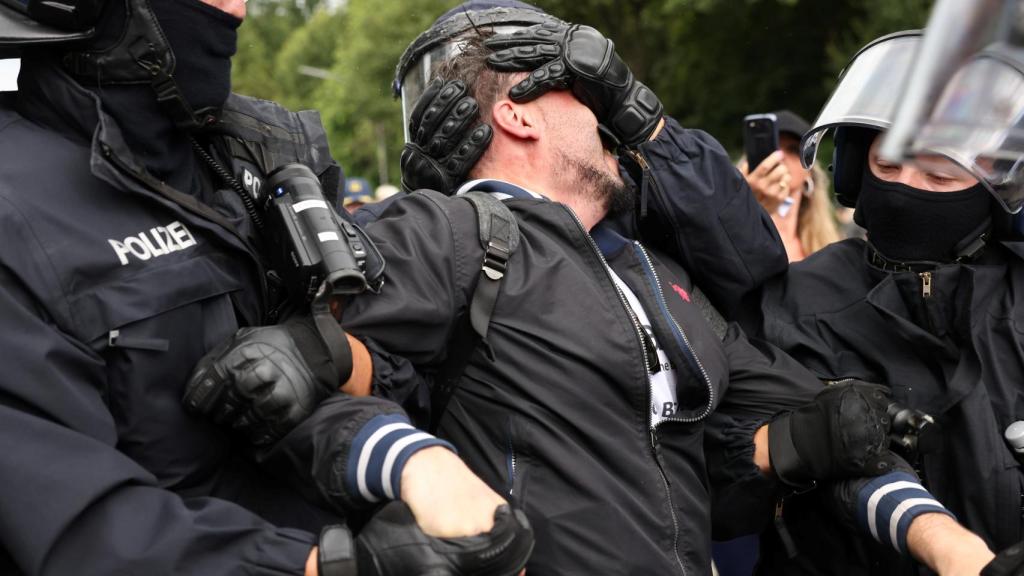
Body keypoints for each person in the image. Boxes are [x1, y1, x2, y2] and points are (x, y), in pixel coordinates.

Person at [187, 18, 1009, 573]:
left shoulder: (662, 278)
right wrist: (416, 463)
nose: (609, 117)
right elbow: (292, 377)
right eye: (587, 98)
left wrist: (951, 548)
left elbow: (822, 434)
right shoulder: (457, 235)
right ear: (519, 114)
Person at [0, 1, 533, 574]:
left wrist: (409, 457)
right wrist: (340, 567)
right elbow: (78, 527)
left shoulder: (248, 162)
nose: (238, 7)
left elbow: (318, 389)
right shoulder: (15, 209)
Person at [739, 31, 1024, 575]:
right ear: (852, 170)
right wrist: (945, 546)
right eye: (887, 167)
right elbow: (802, 459)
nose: (906, 189)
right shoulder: (796, 300)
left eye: (941, 173)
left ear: (1000, 187)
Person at [739, 110, 841, 262]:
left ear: (809, 172)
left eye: (793, 149)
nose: (780, 156)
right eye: (772, 148)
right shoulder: (735, 231)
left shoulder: (828, 247)